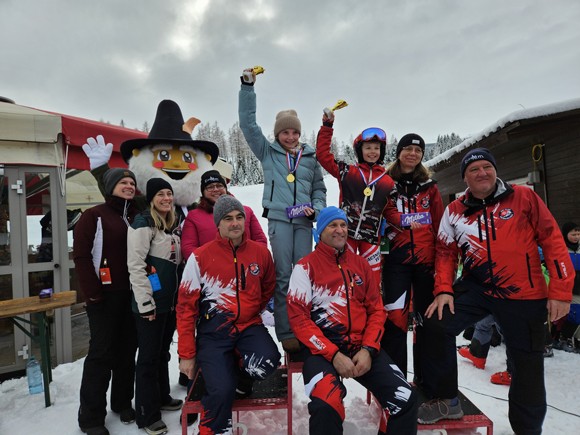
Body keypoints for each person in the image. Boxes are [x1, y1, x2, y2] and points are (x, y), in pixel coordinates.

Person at [418, 148, 574, 434]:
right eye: (474, 169)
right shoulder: (455, 211)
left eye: (487, 167)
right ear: (465, 178)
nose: (482, 173)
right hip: (477, 288)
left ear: (495, 170)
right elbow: (445, 252)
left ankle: (528, 429)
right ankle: (448, 400)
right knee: (436, 323)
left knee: (526, 364)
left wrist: (561, 290)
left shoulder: (523, 197)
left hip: (523, 293)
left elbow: (552, 239)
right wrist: (443, 290)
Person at [287, 206, 417, 435]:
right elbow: (299, 320)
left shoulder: (361, 265)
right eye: (332, 225)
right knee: (326, 406)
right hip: (322, 350)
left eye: (343, 225)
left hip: (360, 346)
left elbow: (377, 311)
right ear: (320, 231)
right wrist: (334, 355)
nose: (339, 230)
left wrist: (368, 349)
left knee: (405, 399)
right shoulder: (305, 267)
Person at [238, 67, 327, 353]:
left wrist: (317, 208)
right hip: (279, 220)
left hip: (304, 222)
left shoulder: (309, 157)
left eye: (295, 132)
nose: (290, 136)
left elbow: (319, 189)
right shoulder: (268, 152)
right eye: (285, 132)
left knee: (303, 275)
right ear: (278, 134)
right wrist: (247, 88)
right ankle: (287, 331)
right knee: (283, 276)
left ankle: (305, 326)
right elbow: (248, 126)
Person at [176, 195, 281, 435]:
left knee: (267, 362)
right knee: (221, 390)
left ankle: (239, 380)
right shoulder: (200, 257)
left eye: (239, 217)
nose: (235, 223)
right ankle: (213, 429)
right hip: (214, 332)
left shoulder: (260, 253)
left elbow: (268, 287)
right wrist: (187, 354)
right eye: (228, 218)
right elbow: (185, 309)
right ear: (218, 223)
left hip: (248, 327)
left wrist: (251, 309)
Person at [75, 168, 139, 435]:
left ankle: (122, 402)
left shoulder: (135, 217)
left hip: (131, 294)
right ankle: (91, 417)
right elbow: (81, 256)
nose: (129, 186)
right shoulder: (94, 215)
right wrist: (92, 293)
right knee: (101, 353)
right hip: (103, 296)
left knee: (127, 351)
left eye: (132, 182)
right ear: (110, 186)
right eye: (123, 182)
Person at [381, 133, 444, 379]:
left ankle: (426, 380)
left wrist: (440, 258)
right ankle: (395, 382)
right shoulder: (385, 183)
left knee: (426, 320)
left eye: (418, 151)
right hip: (395, 261)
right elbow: (379, 217)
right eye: (408, 149)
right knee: (395, 319)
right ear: (398, 153)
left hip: (426, 261)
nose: (413, 154)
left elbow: (439, 223)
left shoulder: (430, 186)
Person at [127, 178, 183, 435]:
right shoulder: (143, 224)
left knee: (162, 353)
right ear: (151, 199)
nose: (166, 198)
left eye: (169, 193)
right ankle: (146, 414)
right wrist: (145, 303)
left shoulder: (171, 225)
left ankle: (161, 397)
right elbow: (136, 265)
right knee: (148, 359)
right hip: (151, 304)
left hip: (168, 304)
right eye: (160, 194)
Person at [315, 111, 396, 285]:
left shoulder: (388, 181)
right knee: (345, 276)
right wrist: (327, 126)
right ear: (360, 150)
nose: (372, 152)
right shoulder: (348, 172)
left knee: (372, 280)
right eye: (368, 148)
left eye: (376, 148)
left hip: (371, 238)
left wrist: (406, 221)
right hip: (346, 234)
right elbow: (323, 156)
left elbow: (391, 211)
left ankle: (373, 303)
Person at [181, 169, 267, 260]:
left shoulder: (246, 211)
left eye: (219, 185)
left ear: (225, 189)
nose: (215, 189)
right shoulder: (193, 216)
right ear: (203, 192)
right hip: (212, 266)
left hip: (246, 264)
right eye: (210, 187)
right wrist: (212, 261)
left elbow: (260, 240)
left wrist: (249, 258)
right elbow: (188, 248)